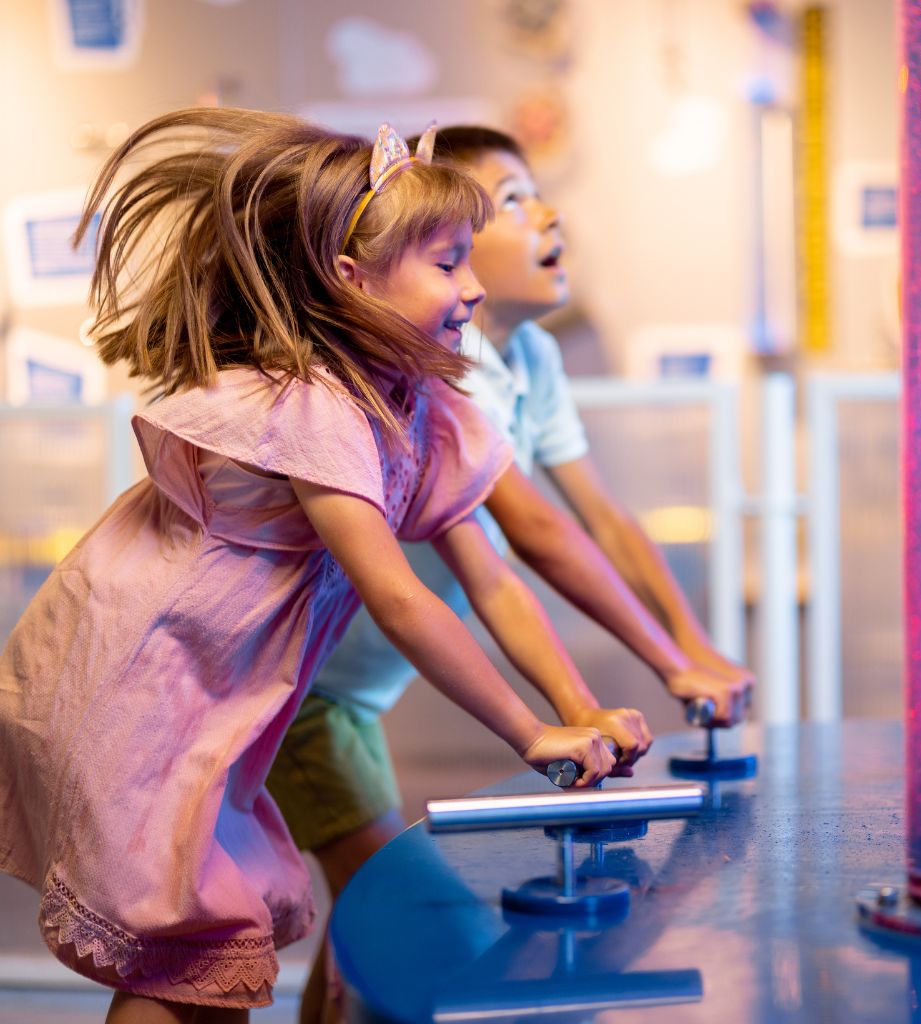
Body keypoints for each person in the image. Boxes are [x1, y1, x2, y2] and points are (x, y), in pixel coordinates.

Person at [0, 110, 651, 1024]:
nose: (468, 288)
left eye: (469, 257)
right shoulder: (313, 404)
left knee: (207, 963)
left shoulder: (422, 403)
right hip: (139, 685)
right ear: (350, 278)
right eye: (444, 262)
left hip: (216, 699)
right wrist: (525, 732)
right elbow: (397, 595)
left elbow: (493, 575)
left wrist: (574, 708)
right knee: (199, 953)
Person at [267, 125, 754, 1024]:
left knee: (361, 926)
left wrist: (688, 650)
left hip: (347, 700)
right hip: (305, 697)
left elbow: (594, 525)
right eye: (513, 203)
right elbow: (527, 543)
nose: (546, 215)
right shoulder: (418, 385)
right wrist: (564, 714)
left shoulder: (516, 362)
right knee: (397, 913)